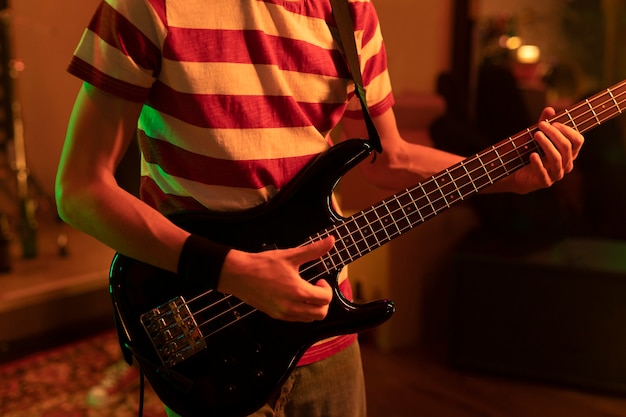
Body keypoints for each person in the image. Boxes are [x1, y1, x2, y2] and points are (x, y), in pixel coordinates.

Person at [55, 1, 584, 416]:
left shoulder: (349, 12)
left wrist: (505, 177)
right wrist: (236, 272)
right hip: (210, 329)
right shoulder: (147, 4)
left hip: (326, 331)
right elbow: (80, 189)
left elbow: (388, 159)